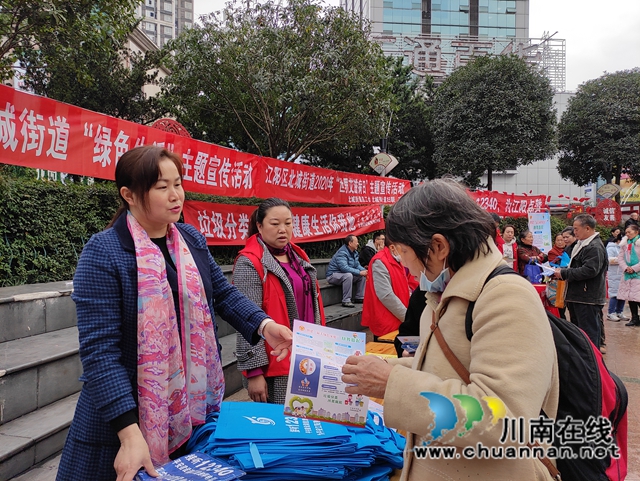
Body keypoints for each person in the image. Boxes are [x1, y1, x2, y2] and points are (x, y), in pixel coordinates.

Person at [56, 146, 293, 481]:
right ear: (130, 195)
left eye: (178, 184)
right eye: (161, 186)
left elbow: (223, 294)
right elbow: (100, 353)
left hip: (188, 410)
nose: (175, 195)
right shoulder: (104, 253)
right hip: (121, 420)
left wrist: (265, 325)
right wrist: (129, 432)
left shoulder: (189, 239)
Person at [341, 179, 559, 481]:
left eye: (404, 252)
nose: (406, 266)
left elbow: (504, 421)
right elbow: (446, 368)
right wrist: (383, 368)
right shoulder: (446, 294)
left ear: (439, 246)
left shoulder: (506, 297)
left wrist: (392, 383)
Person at [233, 198, 326, 404]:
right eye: (275, 224)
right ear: (259, 225)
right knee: (284, 427)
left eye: (288, 223)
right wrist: (254, 370)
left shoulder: (297, 257)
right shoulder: (250, 262)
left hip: (307, 354)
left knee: (308, 420)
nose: (283, 229)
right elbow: (245, 317)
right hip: (276, 362)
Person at [553, 214, 608, 349]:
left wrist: (564, 273)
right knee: (580, 333)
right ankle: (584, 363)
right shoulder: (582, 244)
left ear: (587, 228)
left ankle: (591, 365)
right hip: (579, 296)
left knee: (588, 334)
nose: (574, 232)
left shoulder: (594, 247)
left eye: (576, 229)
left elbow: (590, 270)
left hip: (587, 297)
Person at [361, 241, 412, 340]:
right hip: (386, 320)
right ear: (393, 247)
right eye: (404, 249)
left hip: (398, 317)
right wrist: (407, 317)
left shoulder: (396, 260)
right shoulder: (380, 261)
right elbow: (386, 295)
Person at [326, 235, 367, 307]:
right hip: (333, 275)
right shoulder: (342, 253)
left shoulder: (354, 253)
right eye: (356, 242)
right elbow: (344, 268)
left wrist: (365, 271)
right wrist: (359, 272)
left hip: (344, 274)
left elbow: (357, 265)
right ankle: (346, 300)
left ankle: (360, 297)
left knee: (362, 275)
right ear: (350, 243)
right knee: (348, 275)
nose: (358, 243)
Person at [617, 224, 640, 327]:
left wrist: (634, 268)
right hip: (628, 274)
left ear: (636, 232)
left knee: (638, 297)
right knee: (630, 297)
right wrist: (626, 268)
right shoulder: (625, 244)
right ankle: (634, 318)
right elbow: (620, 258)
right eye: (626, 232)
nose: (627, 234)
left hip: (638, 274)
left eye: (629, 232)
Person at [606, 232, 626, 322]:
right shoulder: (611, 248)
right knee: (614, 293)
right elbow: (609, 260)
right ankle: (611, 313)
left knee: (622, 293)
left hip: (623, 273)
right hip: (614, 274)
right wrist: (621, 260)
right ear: (618, 240)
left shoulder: (625, 248)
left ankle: (619, 311)